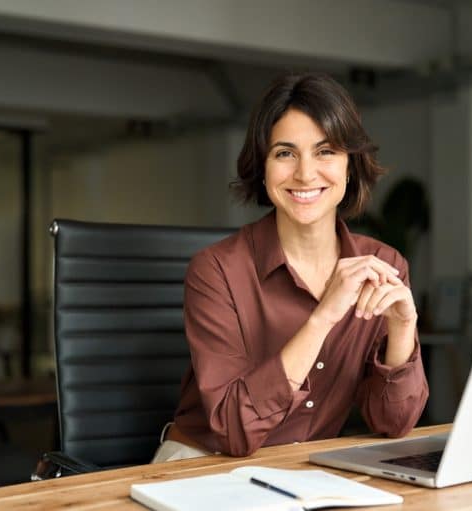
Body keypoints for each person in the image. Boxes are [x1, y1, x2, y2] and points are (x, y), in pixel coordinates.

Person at [152, 72, 429, 463]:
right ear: (262, 169)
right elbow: (234, 431)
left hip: (307, 469)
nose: (304, 173)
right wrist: (322, 318)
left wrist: (402, 330)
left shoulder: (385, 265)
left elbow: (393, 423)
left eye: (325, 151)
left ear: (349, 166)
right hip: (202, 463)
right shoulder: (215, 270)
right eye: (285, 153)